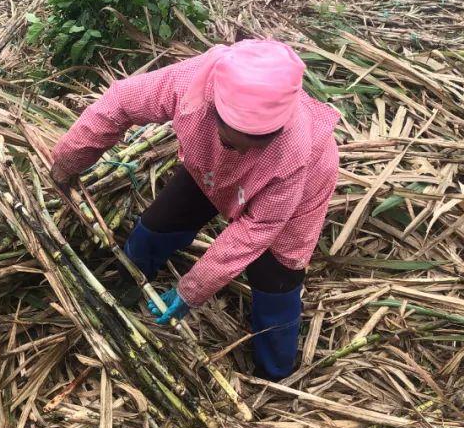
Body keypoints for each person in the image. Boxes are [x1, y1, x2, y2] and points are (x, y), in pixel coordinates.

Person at [50, 40, 340, 381]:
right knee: (159, 224)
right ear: (212, 108)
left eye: (255, 144)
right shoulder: (192, 86)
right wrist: (68, 160)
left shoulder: (295, 152)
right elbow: (120, 103)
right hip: (209, 167)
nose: (241, 151)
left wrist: (192, 289)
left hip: (296, 198)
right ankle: (122, 287)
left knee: (275, 279)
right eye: (232, 141)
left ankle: (275, 372)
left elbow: (254, 231)